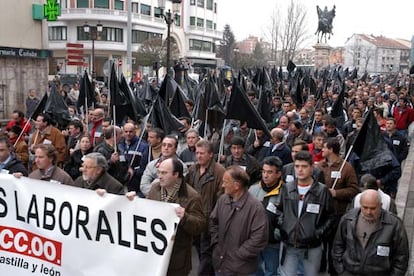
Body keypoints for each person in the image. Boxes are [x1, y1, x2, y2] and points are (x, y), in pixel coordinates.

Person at [127, 158, 206, 276]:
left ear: (176, 174)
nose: (159, 176)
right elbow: (147, 212)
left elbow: (200, 226)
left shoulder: (192, 197)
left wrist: (185, 217)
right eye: (159, 172)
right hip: (154, 254)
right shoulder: (155, 189)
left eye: (164, 173)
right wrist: (135, 203)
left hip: (176, 260)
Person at [277, 150, 335, 276]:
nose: (300, 170)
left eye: (304, 166)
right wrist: (284, 227)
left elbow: (331, 216)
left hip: (312, 246)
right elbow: (279, 210)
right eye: (297, 166)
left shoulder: (322, 191)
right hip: (289, 244)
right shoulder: (287, 188)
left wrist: (318, 233)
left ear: (312, 168)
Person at [332, 189, 409, 275]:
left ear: (381, 205)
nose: (368, 212)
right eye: (365, 207)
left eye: (373, 208)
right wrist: (342, 271)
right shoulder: (348, 219)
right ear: (360, 205)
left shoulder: (394, 225)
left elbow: (401, 258)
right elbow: (337, 247)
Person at [210, 166, 268, 275]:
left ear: (236, 185)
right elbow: (213, 222)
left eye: (225, 182)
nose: (223, 185)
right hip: (221, 265)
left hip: (242, 269)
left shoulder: (255, 207)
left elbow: (259, 237)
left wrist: (239, 254)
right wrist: (216, 244)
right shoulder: (222, 200)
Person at [317, 137, 359, 275]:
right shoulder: (320, 166)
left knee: (334, 245)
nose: (321, 149)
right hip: (320, 212)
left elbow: (353, 189)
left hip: (337, 213)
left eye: (324, 147)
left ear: (330, 150)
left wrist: (336, 193)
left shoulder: (346, 168)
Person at [185, 139, 225, 276]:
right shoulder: (192, 169)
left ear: (210, 155)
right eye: (197, 153)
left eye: (202, 153)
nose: (199, 156)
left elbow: (222, 198)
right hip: (195, 219)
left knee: (206, 255)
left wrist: (215, 218)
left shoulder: (219, 172)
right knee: (200, 253)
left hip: (210, 222)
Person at [248, 156, 284, 276]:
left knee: (271, 271)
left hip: (272, 242)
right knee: (253, 270)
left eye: (270, 172)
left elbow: (287, 217)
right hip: (254, 239)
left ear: (278, 174)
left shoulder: (285, 192)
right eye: (264, 171)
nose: (265, 175)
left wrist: (277, 234)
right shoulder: (253, 189)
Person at [118, 122, 149, 194]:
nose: (128, 134)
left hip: (135, 182)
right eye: (126, 131)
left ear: (135, 132)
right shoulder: (119, 144)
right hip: (121, 180)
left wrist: (133, 171)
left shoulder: (143, 146)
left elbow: (144, 166)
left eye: (130, 131)